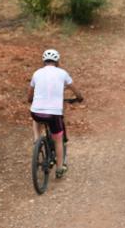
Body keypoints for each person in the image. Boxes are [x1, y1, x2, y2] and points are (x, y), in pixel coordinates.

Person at [27, 49, 83, 178]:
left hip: (37, 112)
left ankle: (37, 139)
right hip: (54, 114)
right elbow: (74, 88)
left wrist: (30, 100)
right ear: (57, 61)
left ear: (44, 61)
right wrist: (79, 97)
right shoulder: (62, 73)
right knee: (58, 140)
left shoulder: (37, 73)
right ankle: (59, 168)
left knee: (35, 115)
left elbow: (30, 92)